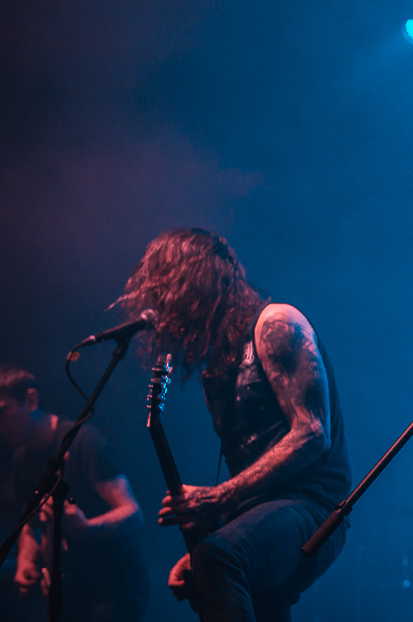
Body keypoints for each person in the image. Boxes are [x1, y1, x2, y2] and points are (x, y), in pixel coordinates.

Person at [117, 227, 350, 622]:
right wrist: (206, 547)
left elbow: (312, 434)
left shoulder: (276, 324)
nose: (162, 305)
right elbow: (249, 472)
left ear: (195, 282)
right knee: (219, 564)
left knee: (219, 557)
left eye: (166, 288)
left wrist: (216, 508)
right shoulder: (218, 368)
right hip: (261, 518)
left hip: (313, 509)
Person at [0, 365, 148, 621]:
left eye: (3, 411)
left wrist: (87, 527)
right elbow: (29, 526)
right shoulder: (22, 460)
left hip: (113, 588)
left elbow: (133, 513)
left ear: (31, 400)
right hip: (68, 590)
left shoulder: (84, 441)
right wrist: (25, 561)